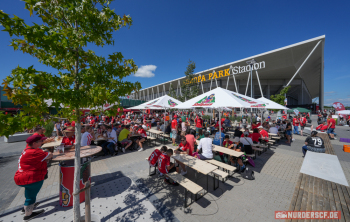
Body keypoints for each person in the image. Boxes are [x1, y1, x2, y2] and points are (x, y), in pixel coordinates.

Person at [14, 135, 53, 221]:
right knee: (31, 197)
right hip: (31, 178)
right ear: (34, 143)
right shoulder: (35, 152)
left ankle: (25, 208)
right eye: (40, 141)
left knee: (29, 193)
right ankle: (28, 215)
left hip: (21, 177)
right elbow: (49, 155)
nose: (42, 142)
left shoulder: (26, 150)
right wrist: (47, 152)